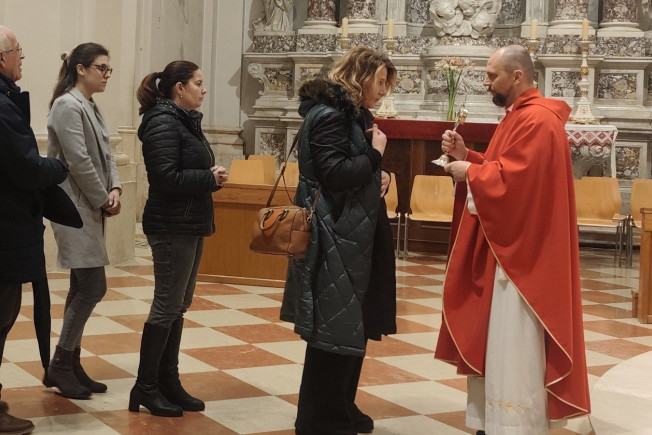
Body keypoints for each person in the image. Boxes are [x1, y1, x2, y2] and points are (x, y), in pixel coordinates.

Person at [435, 45, 591, 435]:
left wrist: (469, 173)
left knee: (514, 342)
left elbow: (517, 186)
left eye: (492, 75)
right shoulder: (519, 116)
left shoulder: (537, 120)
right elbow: (505, 169)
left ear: (517, 76)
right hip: (508, 248)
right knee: (498, 341)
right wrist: (469, 156)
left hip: (523, 258)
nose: (486, 82)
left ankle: (516, 424)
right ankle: (496, 422)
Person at [282, 46, 398, 435]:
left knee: (352, 323)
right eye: (379, 81)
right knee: (333, 326)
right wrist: (376, 157)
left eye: (386, 84)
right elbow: (334, 173)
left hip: (353, 232)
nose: (383, 91)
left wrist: (378, 173)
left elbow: (352, 168)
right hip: (334, 233)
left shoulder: (352, 114)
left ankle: (342, 406)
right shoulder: (330, 114)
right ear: (359, 77)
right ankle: (320, 419)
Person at [130, 60, 228, 417]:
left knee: (178, 305)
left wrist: (208, 175)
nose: (204, 89)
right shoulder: (163, 122)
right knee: (166, 305)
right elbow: (165, 177)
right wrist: (209, 179)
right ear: (179, 88)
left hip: (188, 223)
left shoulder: (183, 120)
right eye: (198, 83)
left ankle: (168, 382)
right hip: (171, 225)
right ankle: (146, 387)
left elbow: (182, 169)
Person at [0, 24, 69, 434]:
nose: (22, 57)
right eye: (18, 50)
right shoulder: (2, 107)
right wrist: (57, 168)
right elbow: (25, 167)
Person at [45, 42, 122, 400]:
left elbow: (106, 154)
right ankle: (61, 363)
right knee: (93, 287)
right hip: (73, 209)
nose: (107, 74)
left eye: (108, 68)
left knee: (81, 287)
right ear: (81, 69)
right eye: (101, 68)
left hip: (90, 207)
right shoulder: (67, 105)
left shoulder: (89, 104)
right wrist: (102, 197)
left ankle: (70, 362)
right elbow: (77, 160)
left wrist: (116, 187)